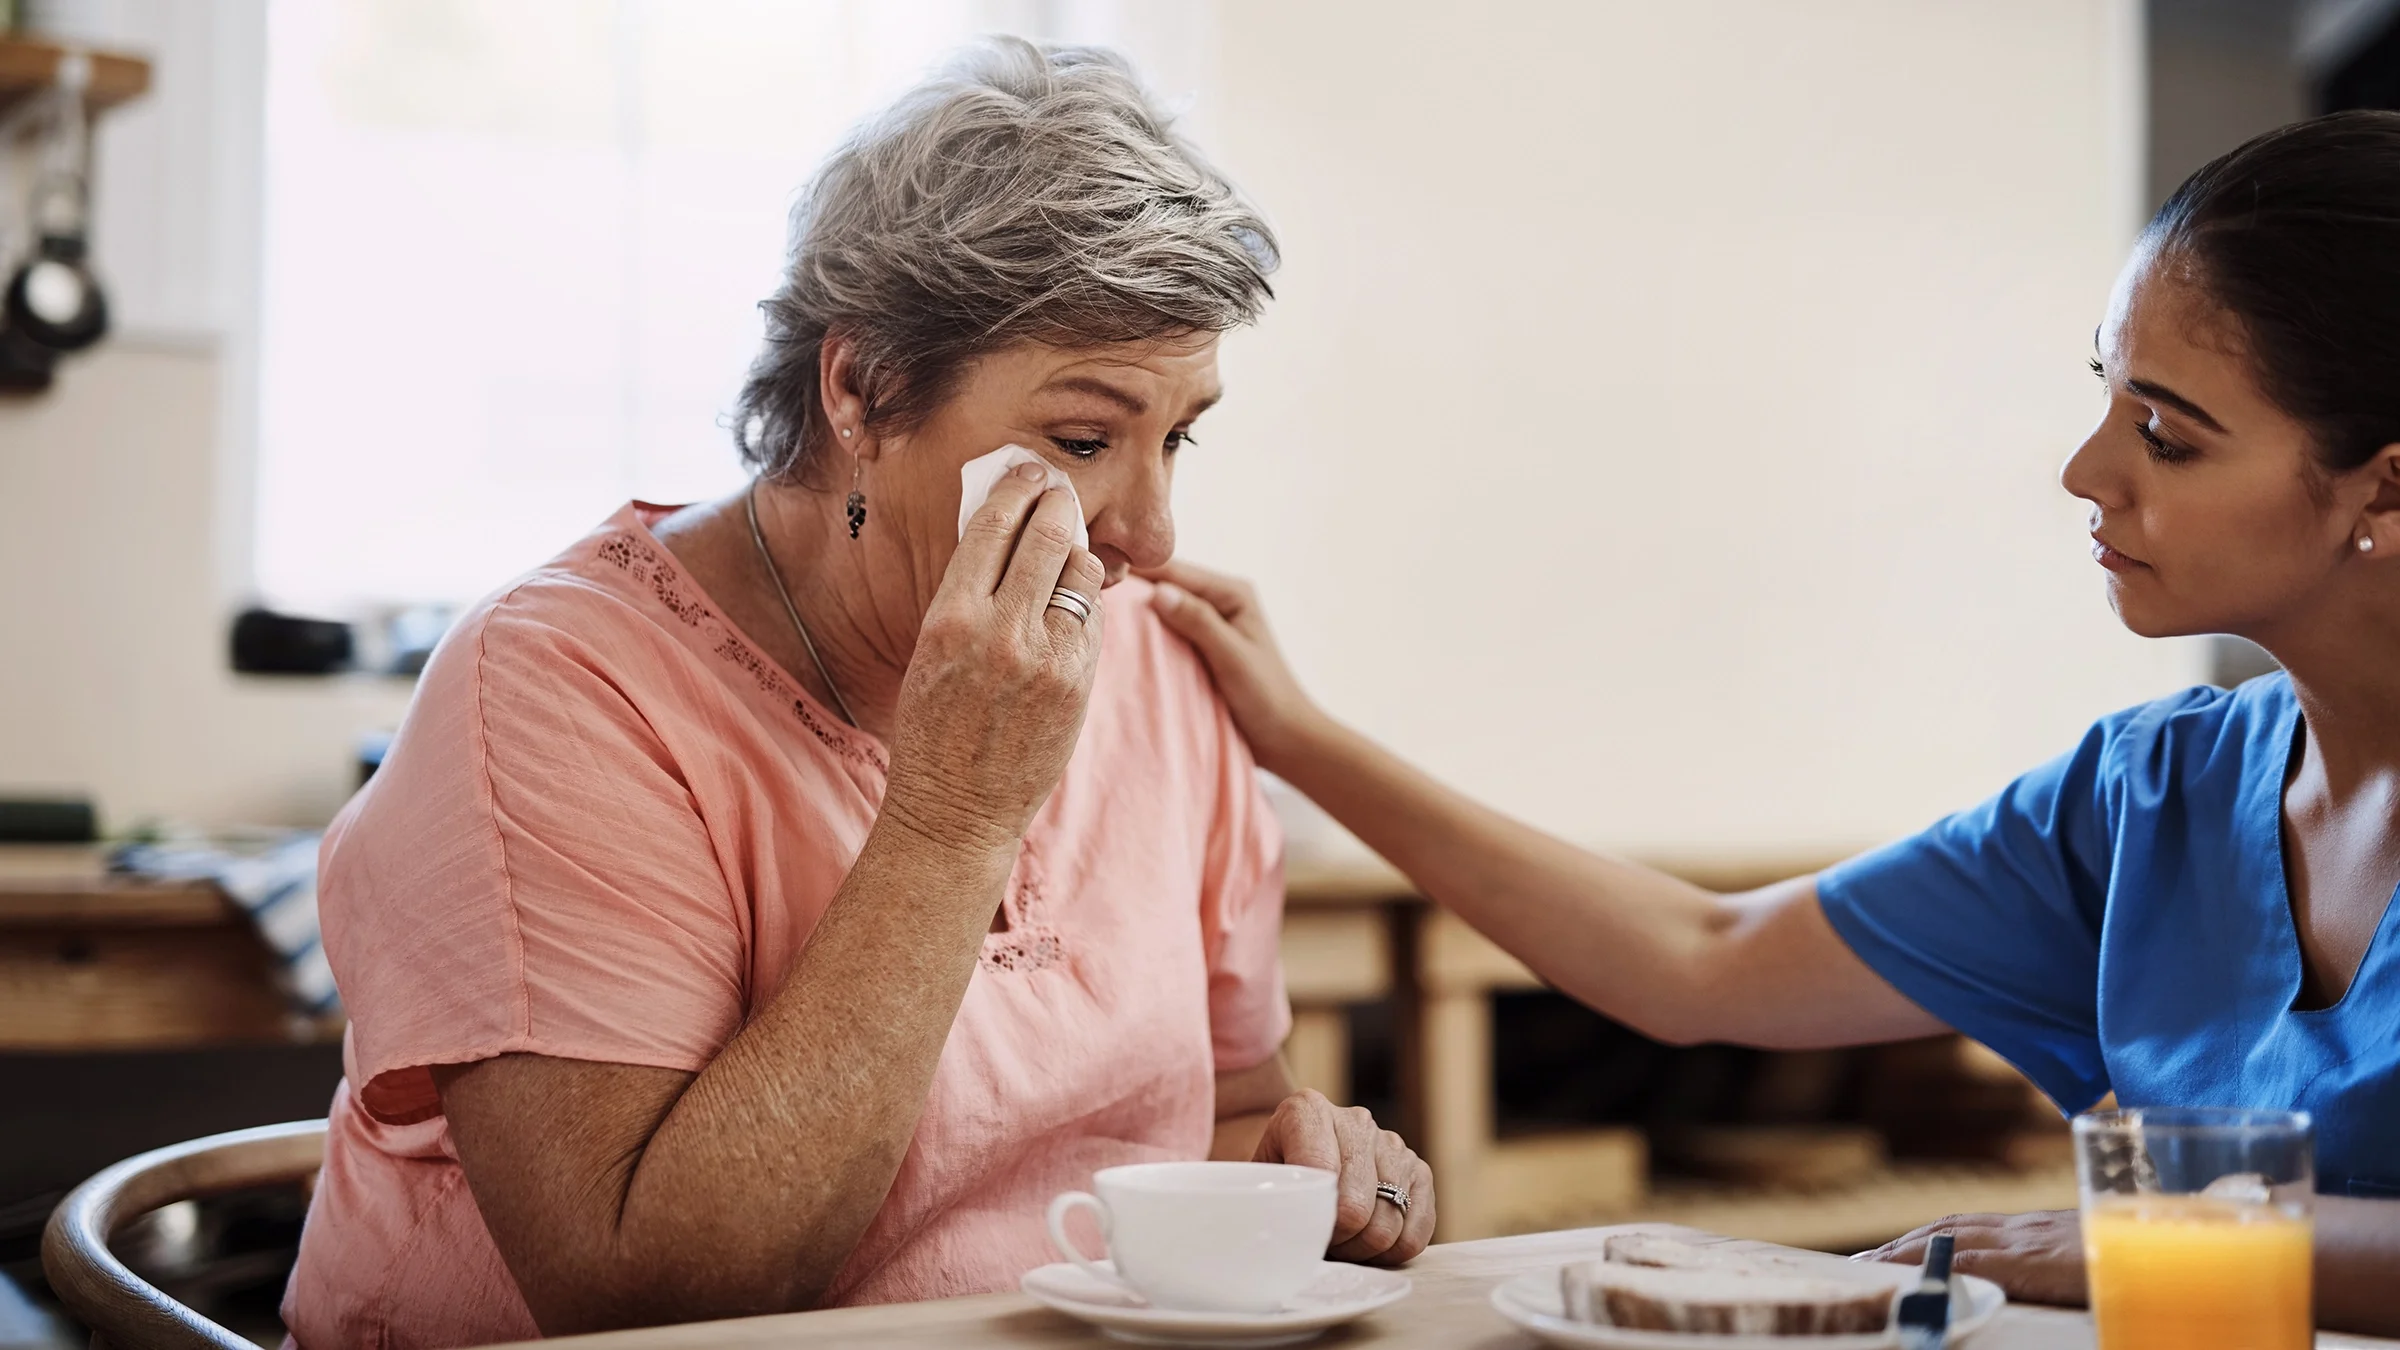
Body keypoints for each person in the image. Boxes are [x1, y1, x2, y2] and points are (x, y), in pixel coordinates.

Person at [1145, 110, 2400, 1337]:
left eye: (2167, 438)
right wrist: (1300, 737)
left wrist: (2140, 1242)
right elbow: (1703, 959)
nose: (2085, 470)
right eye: (2109, 397)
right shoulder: (2153, 795)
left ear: (2384, 490)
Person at [281, 40, 1432, 1349]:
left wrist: (1295, 1168)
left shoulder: (1157, 659)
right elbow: (643, 1297)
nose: (1153, 536)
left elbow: (1216, 1109)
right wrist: (953, 810)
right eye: (1083, 438)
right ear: (863, 390)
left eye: (1178, 436)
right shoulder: (553, 687)